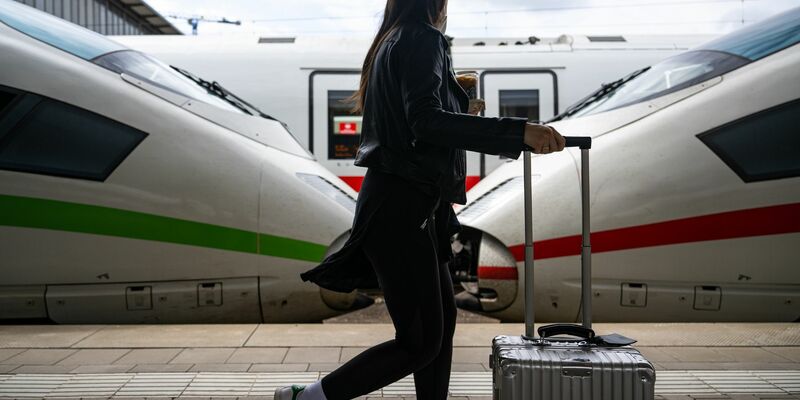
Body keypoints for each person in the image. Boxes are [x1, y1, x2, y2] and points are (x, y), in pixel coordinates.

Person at [276, 0, 565, 399]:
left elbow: (415, 118)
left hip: (412, 205)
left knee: (440, 326)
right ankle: (308, 397)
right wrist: (520, 132)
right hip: (401, 206)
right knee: (420, 340)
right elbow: (425, 121)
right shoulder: (422, 37)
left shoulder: (392, 39)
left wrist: (459, 103)